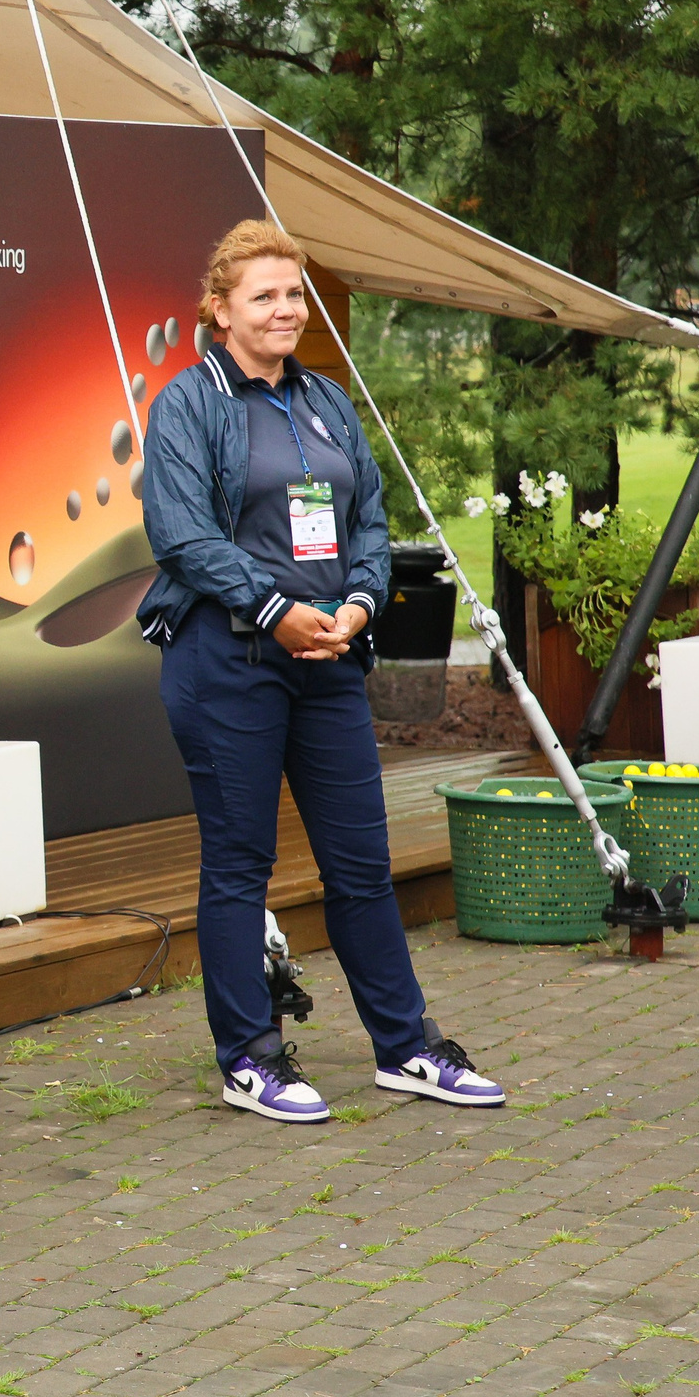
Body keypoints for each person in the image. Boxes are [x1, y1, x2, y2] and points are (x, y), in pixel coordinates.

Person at [136, 219, 506, 1124]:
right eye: (263, 295)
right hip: (229, 660)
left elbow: (368, 521)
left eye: (294, 294)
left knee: (361, 865)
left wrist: (356, 607)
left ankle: (406, 1048)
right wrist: (276, 610)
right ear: (218, 309)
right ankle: (250, 1060)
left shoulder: (328, 403)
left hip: (329, 663)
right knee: (239, 866)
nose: (284, 310)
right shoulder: (189, 404)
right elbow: (180, 534)